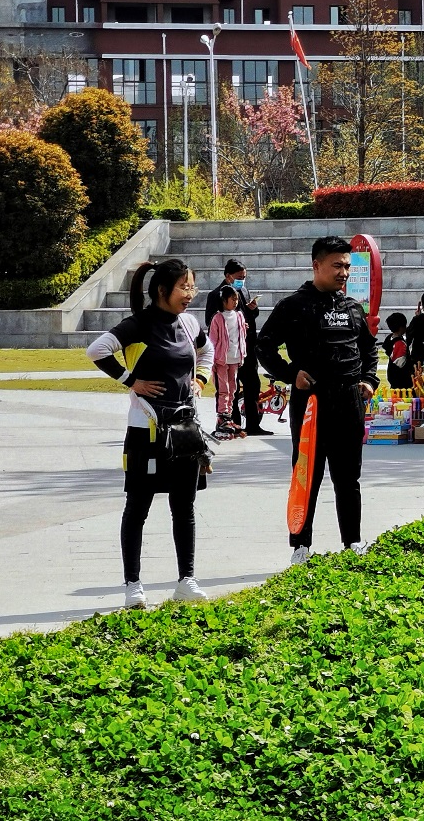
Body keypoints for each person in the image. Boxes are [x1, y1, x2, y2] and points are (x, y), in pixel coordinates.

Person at [86, 259, 214, 609]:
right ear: (162, 290)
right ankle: (133, 586)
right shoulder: (137, 325)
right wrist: (131, 382)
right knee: (137, 507)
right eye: (184, 287)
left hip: (185, 431)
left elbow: (208, 350)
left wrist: (200, 379)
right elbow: (96, 350)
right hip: (145, 431)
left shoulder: (188, 324)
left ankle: (187, 580)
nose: (191, 294)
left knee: (184, 507)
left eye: (193, 287)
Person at [257, 236, 380, 565]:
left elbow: (369, 349)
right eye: (337, 265)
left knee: (348, 477)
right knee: (306, 474)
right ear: (317, 266)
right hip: (311, 403)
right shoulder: (293, 306)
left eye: (347, 267)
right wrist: (288, 374)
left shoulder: (352, 307)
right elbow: (264, 346)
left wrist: (369, 379)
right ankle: (301, 545)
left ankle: (352, 542)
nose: (343, 272)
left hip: (349, 402)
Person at [204, 259, 271, 436]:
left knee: (252, 385)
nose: (242, 280)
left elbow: (248, 315)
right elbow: (211, 323)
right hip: (224, 354)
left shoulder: (243, 290)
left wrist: (252, 309)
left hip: (244, 348)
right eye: (239, 277)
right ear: (228, 276)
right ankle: (230, 422)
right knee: (227, 389)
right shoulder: (216, 295)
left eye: (244, 277)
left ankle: (253, 424)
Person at [208, 284, 249, 435]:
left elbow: (241, 335)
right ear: (224, 300)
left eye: (237, 299)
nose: (236, 302)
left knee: (233, 389)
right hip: (221, 360)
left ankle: (228, 416)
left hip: (235, 358)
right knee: (223, 388)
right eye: (233, 299)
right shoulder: (217, 318)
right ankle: (222, 417)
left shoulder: (239, 316)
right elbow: (212, 340)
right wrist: (212, 360)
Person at [382, 312, 412, 389]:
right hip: (401, 380)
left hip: (392, 375)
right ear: (401, 327)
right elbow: (401, 363)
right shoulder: (399, 343)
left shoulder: (390, 339)